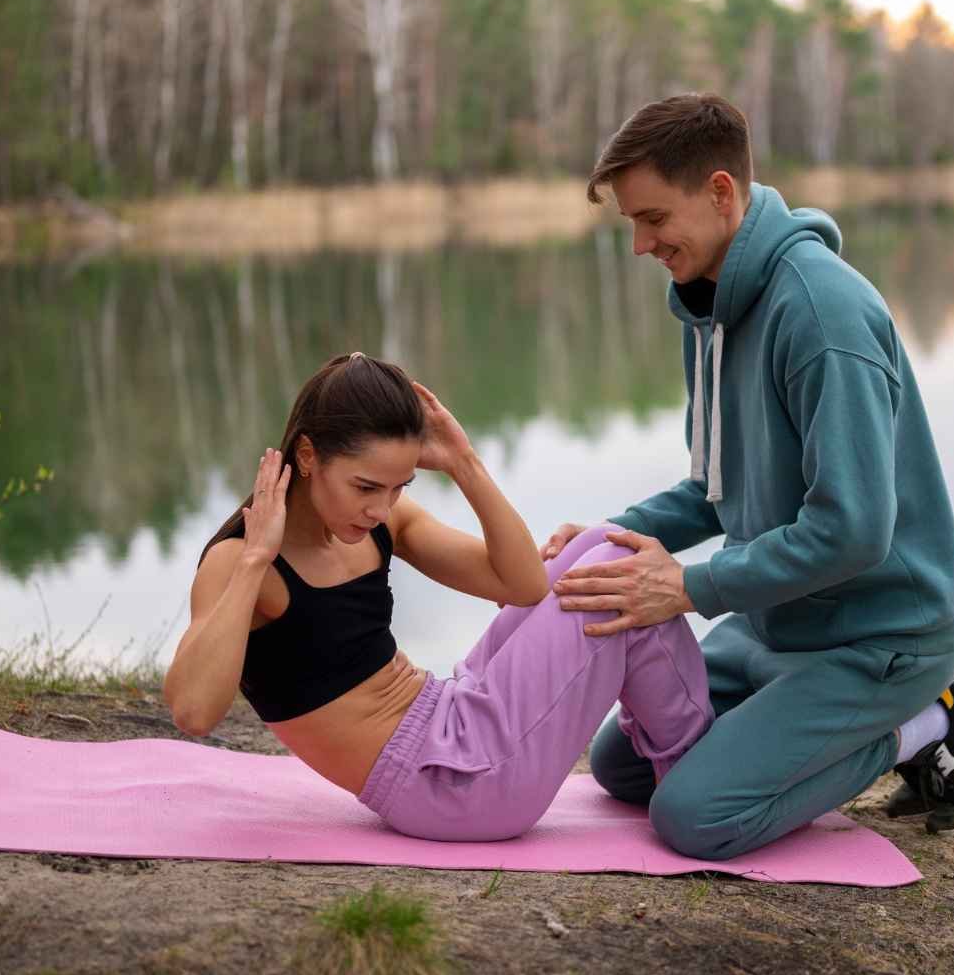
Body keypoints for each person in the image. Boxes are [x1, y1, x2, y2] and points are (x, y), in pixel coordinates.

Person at [540, 94, 954, 860]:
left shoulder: (823, 316)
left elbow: (853, 531)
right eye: (632, 222)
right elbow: (713, 488)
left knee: (695, 815)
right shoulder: (708, 307)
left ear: (720, 192)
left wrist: (689, 587)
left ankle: (934, 720)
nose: (640, 244)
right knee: (623, 766)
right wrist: (611, 534)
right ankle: (806, 717)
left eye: (653, 218)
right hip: (774, 622)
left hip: (879, 637)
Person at [163, 352, 713, 841]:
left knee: (601, 544)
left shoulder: (382, 523)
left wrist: (462, 463)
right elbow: (193, 712)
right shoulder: (242, 560)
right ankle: (697, 780)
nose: (380, 508)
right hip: (455, 787)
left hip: (455, 720)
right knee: (615, 573)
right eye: (365, 486)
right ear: (308, 456)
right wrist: (255, 559)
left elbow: (522, 585)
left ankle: (683, 770)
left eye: (398, 487)